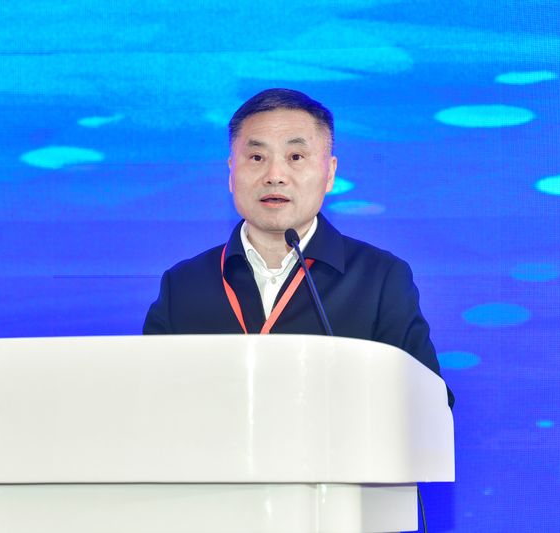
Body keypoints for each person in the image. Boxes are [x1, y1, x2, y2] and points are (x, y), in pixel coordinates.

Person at [143, 88, 453, 408]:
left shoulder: (379, 279)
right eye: (257, 158)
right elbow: (146, 402)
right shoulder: (184, 285)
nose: (275, 176)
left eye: (295, 157)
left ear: (329, 173)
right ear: (231, 174)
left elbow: (427, 405)